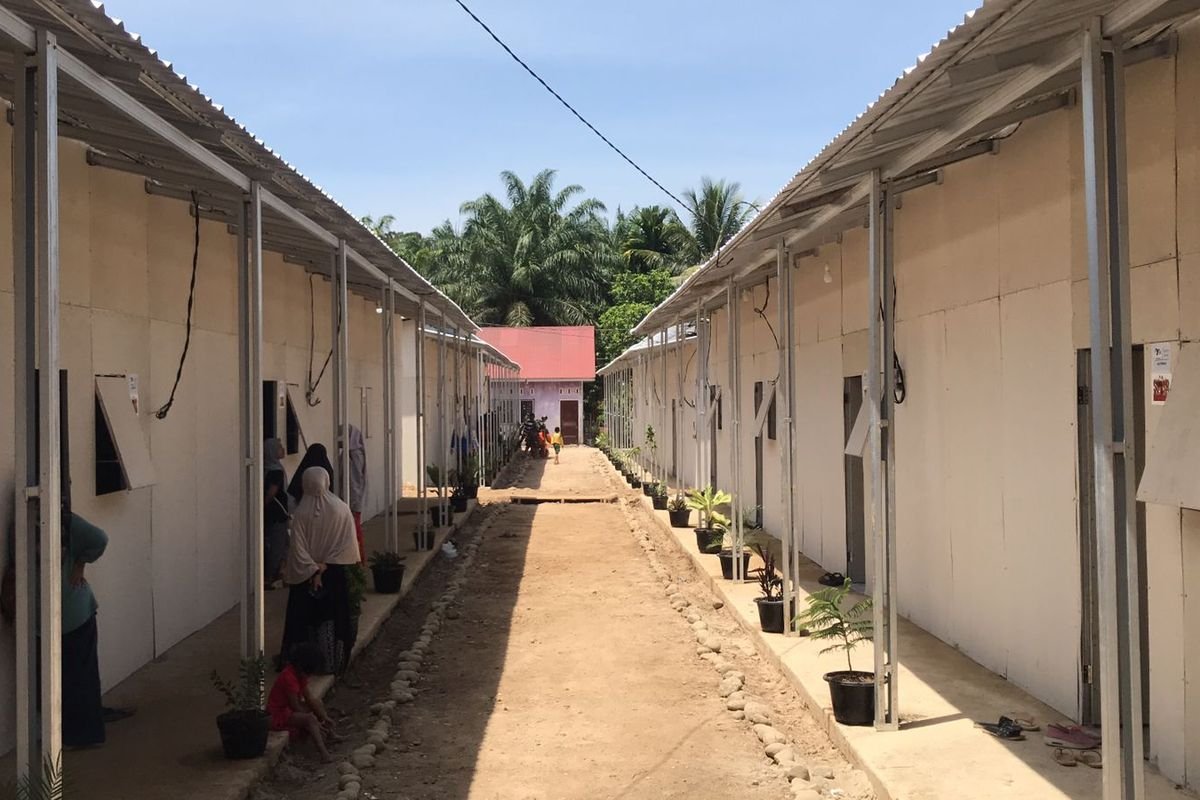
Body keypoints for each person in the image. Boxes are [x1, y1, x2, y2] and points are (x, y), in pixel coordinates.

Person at [278, 467, 361, 675]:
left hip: (305, 576)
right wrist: (325, 566)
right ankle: (332, 662)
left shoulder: (301, 513)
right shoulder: (341, 509)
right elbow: (347, 544)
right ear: (327, 481)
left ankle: (302, 665)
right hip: (334, 574)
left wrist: (313, 569)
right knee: (332, 617)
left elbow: (297, 548)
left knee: (303, 619)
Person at [62, 512, 110, 748]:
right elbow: (99, 538)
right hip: (72, 610)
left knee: (71, 677)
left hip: (61, 614)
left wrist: (79, 563)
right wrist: (80, 563)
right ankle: (82, 734)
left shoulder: (22, 520)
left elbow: (99, 539)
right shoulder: (64, 519)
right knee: (81, 675)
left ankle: (74, 734)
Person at [266, 641, 338, 762]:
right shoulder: (288, 678)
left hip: (288, 710)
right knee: (310, 719)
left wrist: (324, 717)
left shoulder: (299, 675)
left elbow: (309, 698)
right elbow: (295, 706)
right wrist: (314, 720)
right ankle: (323, 753)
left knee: (317, 703)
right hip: (278, 714)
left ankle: (331, 734)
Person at [264, 438, 290, 587]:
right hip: (277, 514)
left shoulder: (267, 469)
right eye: (279, 447)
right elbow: (271, 493)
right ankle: (270, 577)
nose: (283, 449)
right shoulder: (276, 472)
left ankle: (281, 573)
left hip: (273, 514)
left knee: (284, 543)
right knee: (278, 545)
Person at [346, 426, 367, 564]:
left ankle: (358, 558)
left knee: (354, 529)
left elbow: (355, 479)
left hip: (353, 497)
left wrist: (353, 501)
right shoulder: (352, 453)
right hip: (353, 497)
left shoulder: (355, 455)